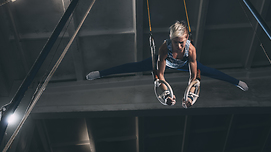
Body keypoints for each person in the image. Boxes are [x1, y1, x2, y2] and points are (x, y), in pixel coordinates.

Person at [86, 21, 248, 107]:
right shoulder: (165, 47)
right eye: (175, 42)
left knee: (209, 71)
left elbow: (193, 78)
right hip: (167, 63)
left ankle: (237, 82)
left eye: (182, 42)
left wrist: (190, 97)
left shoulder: (191, 49)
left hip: (184, 64)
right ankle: (100, 73)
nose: (179, 46)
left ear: (187, 38)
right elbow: (160, 76)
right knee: (132, 66)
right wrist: (166, 95)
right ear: (171, 40)